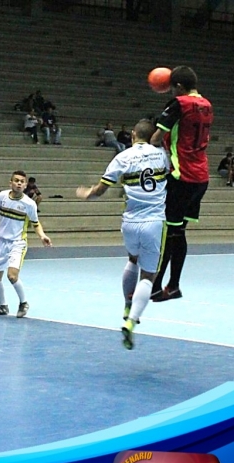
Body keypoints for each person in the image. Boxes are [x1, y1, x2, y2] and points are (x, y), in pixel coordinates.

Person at [76, 119, 170, 350]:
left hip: (129, 222)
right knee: (149, 276)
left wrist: (87, 193)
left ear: (132, 134)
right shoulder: (162, 155)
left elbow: (101, 189)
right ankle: (131, 322)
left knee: (132, 260)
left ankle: (127, 303)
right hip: (154, 222)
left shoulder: (122, 157)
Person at [149, 66, 213, 303]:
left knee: (167, 234)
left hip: (181, 177)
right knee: (179, 232)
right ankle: (173, 286)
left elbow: (156, 137)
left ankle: (154, 287)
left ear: (177, 87)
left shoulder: (179, 103)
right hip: (200, 177)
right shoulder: (207, 104)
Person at [0, 170, 52, 318]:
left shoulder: (29, 204)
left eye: (22, 181)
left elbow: (36, 223)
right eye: (16, 180)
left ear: (25, 184)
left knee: (12, 276)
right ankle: (3, 307)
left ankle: (23, 303)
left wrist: (42, 236)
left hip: (17, 243)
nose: (19, 183)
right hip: (1, 242)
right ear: (11, 183)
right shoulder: (2, 197)